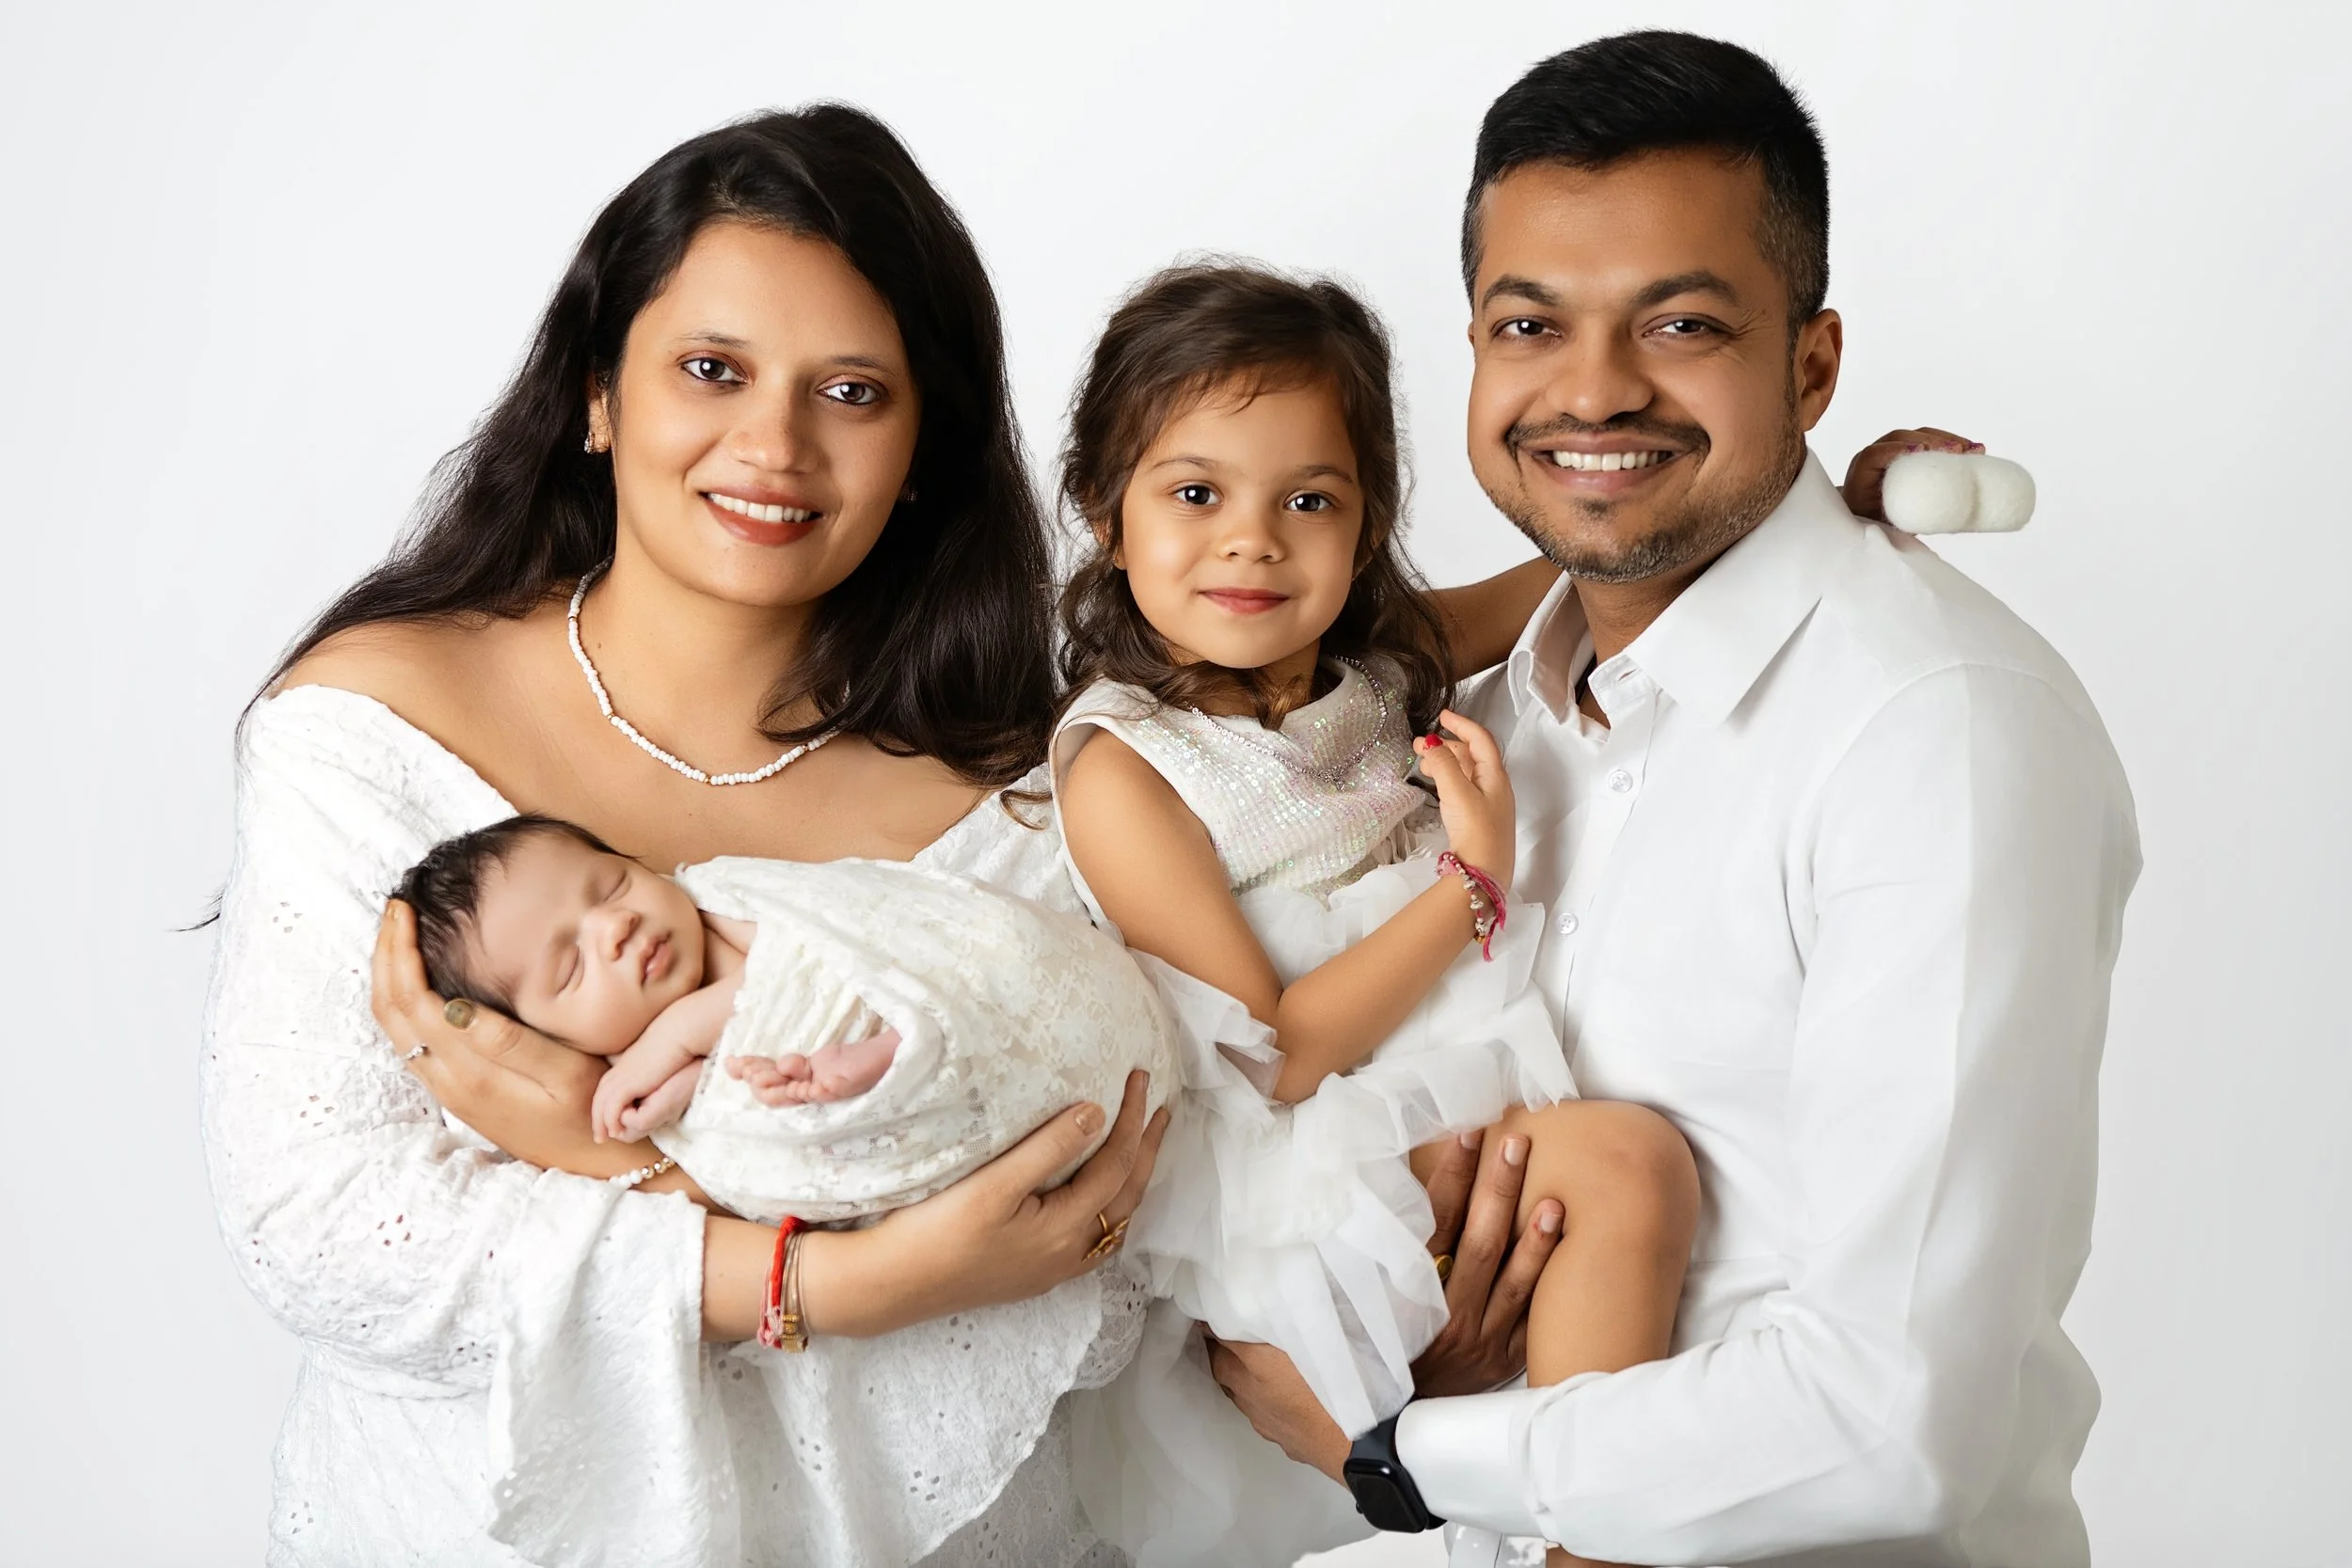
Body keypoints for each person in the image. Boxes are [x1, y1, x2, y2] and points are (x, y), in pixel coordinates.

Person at [1206, 31, 2139, 1568]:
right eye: (1530, 324)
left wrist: (1406, 1453)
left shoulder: (1934, 735)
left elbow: (1894, 1421)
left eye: (1683, 323)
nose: (1592, 390)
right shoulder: (1486, 724)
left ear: (1814, 365)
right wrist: (1429, 1367)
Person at [200, 107, 1170, 1568]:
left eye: (852, 390)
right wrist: (843, 1279)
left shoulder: (1037, 807)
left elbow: (1098, 1218)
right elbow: (325, 1225)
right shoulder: (376, 730)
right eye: (710, 370)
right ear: (599, 395)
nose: (772, 446)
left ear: (923, 449)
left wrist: (577, 1158)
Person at [1049, 263, 1698, 1568]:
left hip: (1433, 1074)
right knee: (1627, 1168)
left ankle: (1580, 1532)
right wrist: (1473, 883)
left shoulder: (1374, 664)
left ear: (1366, 524)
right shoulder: (1127, 762)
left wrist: (1796, 498)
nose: (1253, 540)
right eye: (1195, 494)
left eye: (1310, 500)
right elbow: (1273, 1045)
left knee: (1633, 1212)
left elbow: (1578, 572)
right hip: (1305, 1152)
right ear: (1105, 519)